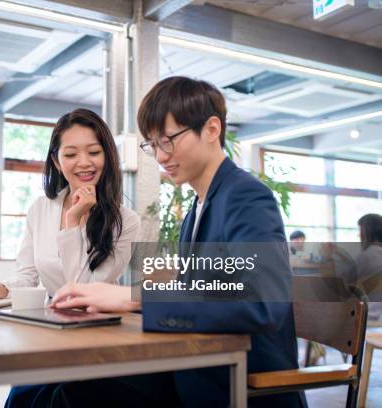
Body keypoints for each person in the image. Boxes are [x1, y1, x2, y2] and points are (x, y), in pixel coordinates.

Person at [34, 77, 304, 407]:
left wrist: (134, 298)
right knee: (58, 390)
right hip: (198, 369)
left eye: (168, 141)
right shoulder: (197, 208)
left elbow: (262, 305)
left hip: (241, 382)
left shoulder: (245, 196)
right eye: (152, 145)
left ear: (211, 129)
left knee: (74, 395)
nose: (161, 156)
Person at [0, 108, 139, 301]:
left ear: (107, 157)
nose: (83, 162)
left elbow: (84, 290)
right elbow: (27, 275)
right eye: (70, 155)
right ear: (57, 162)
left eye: (93, 152)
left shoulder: (126, 221)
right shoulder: (40, 209)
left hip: (97, 320)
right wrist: (2, 289)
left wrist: (73, 221)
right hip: (51, 316)